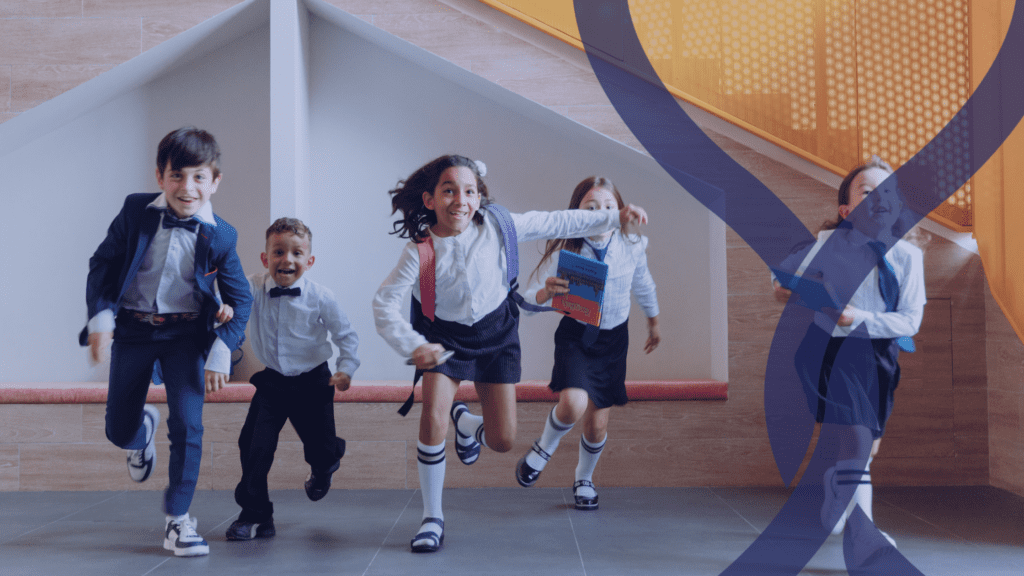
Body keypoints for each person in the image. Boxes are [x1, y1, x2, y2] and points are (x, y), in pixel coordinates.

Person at [372, 155, 648, 553]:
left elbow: (559, 221)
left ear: (480, 197)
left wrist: (613, 217)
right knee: (432, 418)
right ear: (430, 199)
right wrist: (413, 345)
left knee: (503, 440)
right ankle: (432, 518)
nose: (460, 200)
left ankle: (467, 425)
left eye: (469, 191)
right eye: (449, 190)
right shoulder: (420, 252)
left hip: (496, 334)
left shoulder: (501, 226)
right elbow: (384, 304)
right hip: (442, 340)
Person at [81, 126, 252, 557]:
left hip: (186, 336)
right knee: (118, 429)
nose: (187, 187)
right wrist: (101, 319)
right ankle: (140, 435)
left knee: (189, 425)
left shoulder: (223, 235)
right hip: (134, 331)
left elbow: (242, 299)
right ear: (160, 177)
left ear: (215, 182)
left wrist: (219, 351)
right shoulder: (136, 210)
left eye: (199, 177)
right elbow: (102, 264)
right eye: (177, 176)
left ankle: (179, 520)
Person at [772, 156, 925, 553]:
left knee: (864, 448)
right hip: (831, 351)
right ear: (847, 211)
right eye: (867, 191)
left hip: (880, 356)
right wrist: (794, 289)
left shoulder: (910, 258)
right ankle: (863, 537)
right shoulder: (829, 244)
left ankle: (839, 490)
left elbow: (910, 321)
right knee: (856, 441)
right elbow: (781, 280)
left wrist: (861, 317)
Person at [515, 176, 660, 511]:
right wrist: (546, 292)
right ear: (577, 213)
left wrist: (653, 323)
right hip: (576, 338)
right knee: (573, 405)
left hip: (612, 341)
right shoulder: (569, 251)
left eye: (609, 207)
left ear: (621, 211)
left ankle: (584, 478)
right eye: (590, 208)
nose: (600, 214)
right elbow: (530, 302)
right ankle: (542, 449)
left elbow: (644, 284)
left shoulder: (633, 246)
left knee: (596, 425)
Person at [226, 217, 359, 541]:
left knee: (321, 449)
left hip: (314, 382)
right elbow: (228, 293)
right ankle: (256, 513)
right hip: (273, 382)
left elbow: (346, 336)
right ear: (265, 258)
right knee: (253, 445)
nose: (287, 259)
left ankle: (327, 463)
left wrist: (346, 368)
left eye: (297, 253)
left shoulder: (321, 296)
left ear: (309, 261)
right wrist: (223, 306)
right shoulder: (253, 286)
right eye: (279, 251)